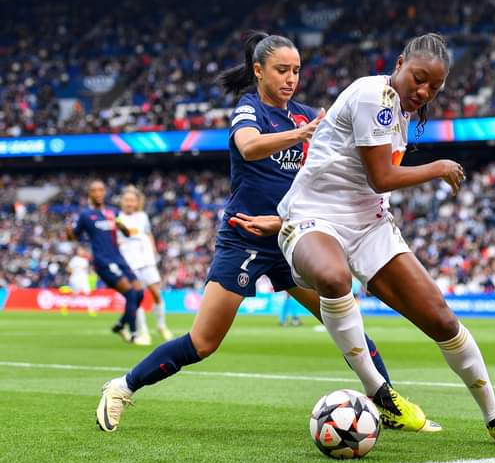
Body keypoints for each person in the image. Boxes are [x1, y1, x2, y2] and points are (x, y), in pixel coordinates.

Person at [95, 32, 423, 433]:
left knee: (342, 314)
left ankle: (389, 404)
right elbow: (249, 147)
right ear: (258, 70)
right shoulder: (249, 110)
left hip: (295, 236)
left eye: (297, 71)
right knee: (203, 342)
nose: (291, 79)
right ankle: (122, 387)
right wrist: (300, 135)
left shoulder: (308, 115)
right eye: (281, 70)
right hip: (245, 237)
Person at [234, 32, 495, 448]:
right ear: (399, 64)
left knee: (442, 321)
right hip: (314, 217)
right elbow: (382, 176)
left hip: (371, 225)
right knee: (335, 279)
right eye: (418, 79)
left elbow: (374, 187)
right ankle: (380, 392)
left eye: (435, 87)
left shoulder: (401, 109)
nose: (424, 91)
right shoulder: (372, 95)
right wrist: (439, 166)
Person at [66, 180, 145, 342]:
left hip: (119, 258)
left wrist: (123, 228)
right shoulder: (86, 215)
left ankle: (120, 324)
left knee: (140, 293)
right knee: (130, 293)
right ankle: (134, 334)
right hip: (103, 261)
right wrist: (68, 232)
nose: (99, 193)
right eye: (95, 190)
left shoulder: (112, 212)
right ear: (90, 194)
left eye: (101, 190)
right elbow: (75, 236)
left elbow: (126, 232)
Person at [117, 186, 173, 344]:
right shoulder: (117, 218)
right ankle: (144, 332)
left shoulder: (142, 216)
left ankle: (161, 326)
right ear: (122, 202)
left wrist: (154, 252)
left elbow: (148, 235)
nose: (129, 203)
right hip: (130, 263)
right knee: (137, 297)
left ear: (136, 203)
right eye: (126, 200)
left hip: (147, 261)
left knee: (156, 294)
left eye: (132, 200)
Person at [66, 246, 96, 317]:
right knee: (74, 294)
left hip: (83, 279)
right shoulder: (74, 260)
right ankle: (68, 307)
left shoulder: (85, 260)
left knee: (88, 293)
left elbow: (86, 270)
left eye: (82, 250)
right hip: (75, 279)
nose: (81, 252)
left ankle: (91, 309)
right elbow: (69, 269)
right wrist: (73, 271)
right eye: (80, 250)